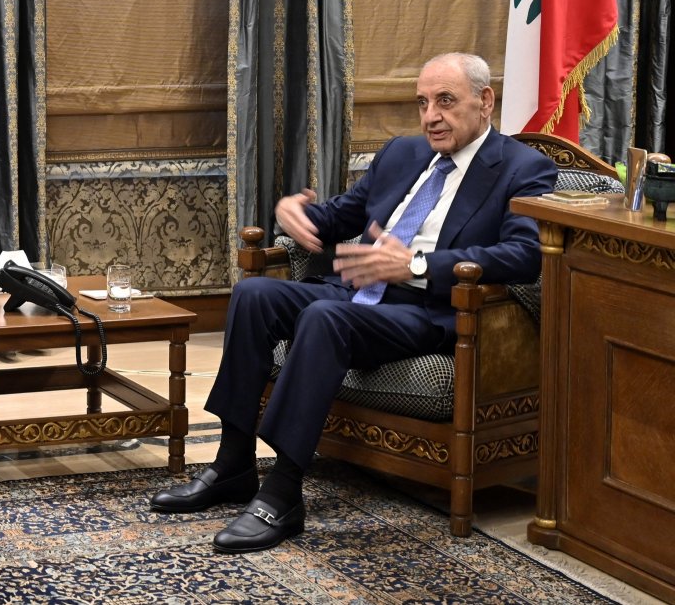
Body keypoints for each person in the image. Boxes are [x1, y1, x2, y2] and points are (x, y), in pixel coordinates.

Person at [149, 53, 556, 553]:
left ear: (485, 100)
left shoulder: (522, 167)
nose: (431, 117)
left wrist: (417, 267)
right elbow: (337, 218)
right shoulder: (402, 155)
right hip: (356, 294)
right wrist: (292, 213)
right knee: (254, 293)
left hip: (425, 310)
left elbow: (523, 255)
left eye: (445, 102)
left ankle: (283, 492)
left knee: (324, 316)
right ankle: (233, 463)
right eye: (423, 103)